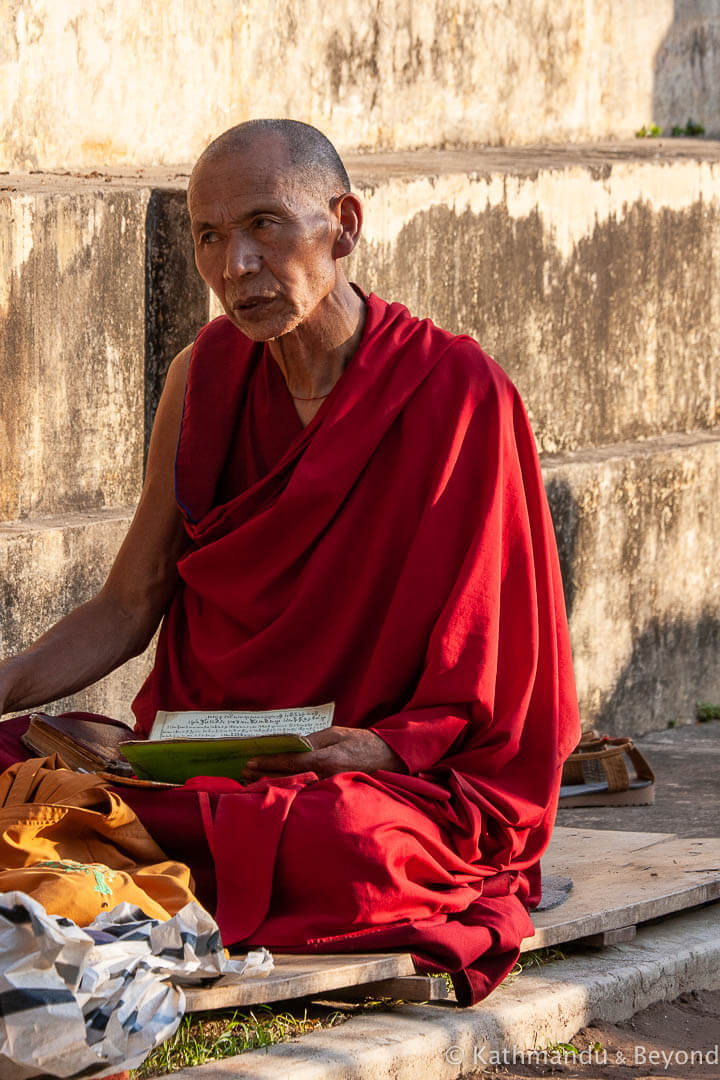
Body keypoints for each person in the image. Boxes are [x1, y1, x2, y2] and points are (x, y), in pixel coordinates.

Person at [0, 119, 580, 1005]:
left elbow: (496, 666)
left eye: (265, 224)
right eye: (208, 236)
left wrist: (382, 745)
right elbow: (128, 606)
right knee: (13, 762)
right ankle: (166, 857)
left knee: (352, 845)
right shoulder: (202, 379)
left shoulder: (460, 395)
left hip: (360, 775)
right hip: (201, 759)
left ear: (344, 226)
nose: (234, 267)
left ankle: (144, 865)